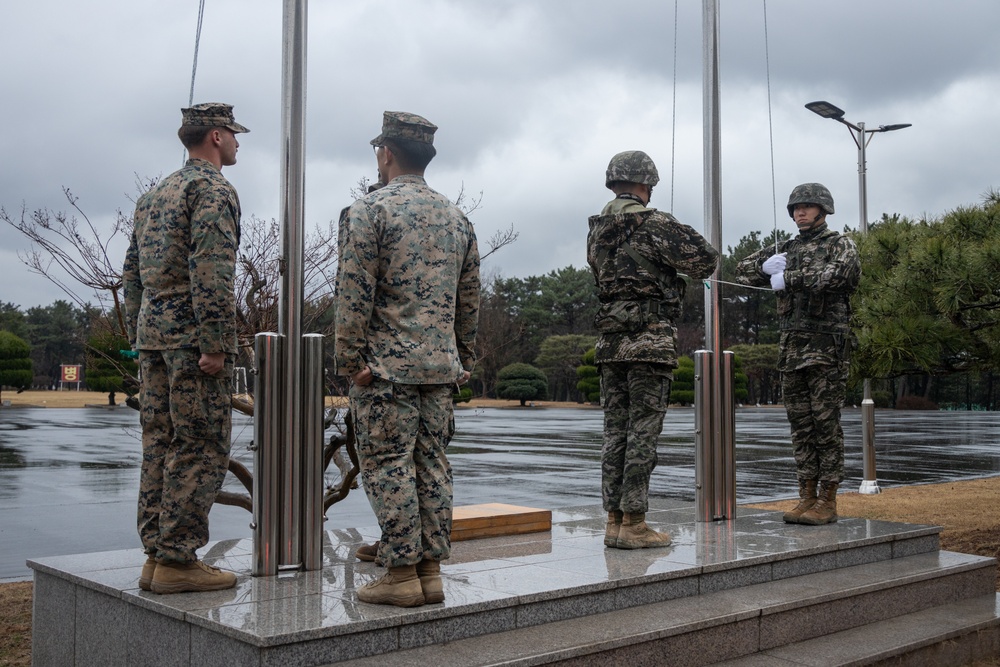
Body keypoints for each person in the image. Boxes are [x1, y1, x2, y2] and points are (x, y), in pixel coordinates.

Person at [335, 111, 480, 607]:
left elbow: (353, 296)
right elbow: (469, 301)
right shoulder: (457, 218)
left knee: (389, 466)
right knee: (433, 466)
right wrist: (463, 358)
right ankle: (430, 570)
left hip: (384, 371)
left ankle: (400, 574)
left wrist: (349, 361)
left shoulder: (368, 212)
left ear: (386, 153)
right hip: (439, 370)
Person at [123, 102, 248, 594]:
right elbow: (213, 270)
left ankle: (156, 554)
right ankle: (178, 559)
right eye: (234, 135)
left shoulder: (153, 196)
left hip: (154, 337)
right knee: (200, 445)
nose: (238, 143)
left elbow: (132, 274)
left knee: (159, 443)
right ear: (215, 136)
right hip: (194, 340)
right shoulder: (211, 189)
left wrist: (142, 333)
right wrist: (215, 342)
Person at [587, 151, 719, 549]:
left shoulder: (596, 229)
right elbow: (706, 261)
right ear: (646, 185)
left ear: (613, 183)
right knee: (642, 434)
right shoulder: (657, 223)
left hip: (611, 343)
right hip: (649, 341)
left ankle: (613, 520)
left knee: (615, 434)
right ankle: (635, 523)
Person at [735, 183, 860, 525]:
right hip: (792, 351)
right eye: (795, 208)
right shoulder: (787, 247)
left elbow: (843, 275)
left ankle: (828, 499)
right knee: (800, 427)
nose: (800, 212)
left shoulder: (839, 244)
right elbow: (742, 270)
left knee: (826, 426)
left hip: (825, 350)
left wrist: (788, 277)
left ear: (823, 210)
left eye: (807, 206)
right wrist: (764, 269)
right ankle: (806, 494)